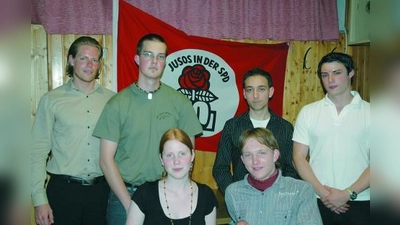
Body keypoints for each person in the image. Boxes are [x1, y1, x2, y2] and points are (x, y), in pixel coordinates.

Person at [93, 33, 203, 224]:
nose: (154, 61)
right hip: (125, 196)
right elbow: (105, 160)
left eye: (160, 56)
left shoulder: (180, 102)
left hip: (167, 195)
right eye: (148, 55)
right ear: (137, 59)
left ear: (165, 61)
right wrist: (130, 206)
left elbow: (188, 156)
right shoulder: (117, 104)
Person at [31, 36, 115, 225]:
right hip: (62, 192)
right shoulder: (52, 100)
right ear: (71, 60)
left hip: (101, 193)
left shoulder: (112, 101)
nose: (89, 65)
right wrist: (39, 200)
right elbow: (37, 151)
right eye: (83, 58)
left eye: (95, 60)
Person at [292, 52, 370, 225]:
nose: (330, 79)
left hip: (361, 201)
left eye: (337, 72)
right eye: (325, 75)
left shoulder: (374, 113)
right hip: (317, 200)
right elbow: (298, 158)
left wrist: (348, 193)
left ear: (351, 73)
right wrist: (323, 193)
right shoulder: (309, 112)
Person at [213, 68, 299, 194]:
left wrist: (282, 195)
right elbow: (220, 168)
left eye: (261, 89)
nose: (255, 95)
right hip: (242, 199)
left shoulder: (285, 128)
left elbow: (291, 169)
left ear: (271, 92)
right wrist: (233, 194)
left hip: (277, 200)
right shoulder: (231, 126)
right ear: (244, 93)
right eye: (250, 89)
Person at [225, 128, 322, 225]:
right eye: (248, 155)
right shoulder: (233, 192)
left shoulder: (301, 191)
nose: (255, 161)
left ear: (275, 155)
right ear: (242, 159)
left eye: (261, 153)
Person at [126, 128, 217, 225]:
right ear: (161, 159)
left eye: (182, 154)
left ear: (192, 155)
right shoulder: (143, 194)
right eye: (169, 155)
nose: (176, 161)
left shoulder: (206, 196)